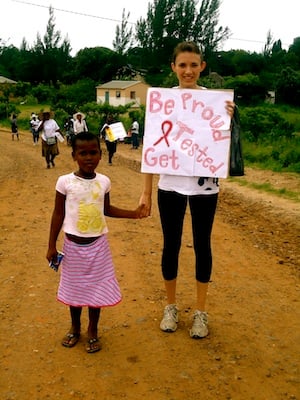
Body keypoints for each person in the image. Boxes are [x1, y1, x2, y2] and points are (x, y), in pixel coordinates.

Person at [139, 41, 236, 339]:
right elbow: (151, 147)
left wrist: (230, 119)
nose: (188, 71)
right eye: (182, 65)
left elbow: (221, 145)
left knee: (202, 245)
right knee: (171, 245)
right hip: (169, 186)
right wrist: (146, 192)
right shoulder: (162, 102)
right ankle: (171, 306)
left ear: (202, 67)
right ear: (173, 67)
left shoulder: (216, 101)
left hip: (205, 189)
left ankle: (200, 312)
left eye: (194, 65)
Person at [46, 132, 145, 353]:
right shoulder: (65, 182)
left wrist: (134, 214)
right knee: (74, 290)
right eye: (83, 153)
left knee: (97, 290)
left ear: (101, 155)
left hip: (98, 247)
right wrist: (51, 245)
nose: (89, 157)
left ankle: (92, 330)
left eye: (93, 152)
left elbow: (107, 209)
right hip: (72, 247)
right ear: (74, 156)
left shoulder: (104, 182)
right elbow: (57, 215)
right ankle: (75, 327)